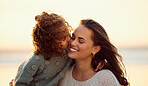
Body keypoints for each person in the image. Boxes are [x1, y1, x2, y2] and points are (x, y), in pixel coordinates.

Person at [58, 19, 129, 86]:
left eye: (81, 41)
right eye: (73, 38)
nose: (73, 43)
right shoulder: (63, 74)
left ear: (95, 49)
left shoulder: (105, 78)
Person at [10, 11, 72, 86]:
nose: (69, 39)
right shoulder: (37, 60)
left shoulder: (68, 54)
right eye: (63, 38)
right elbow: (20, 83)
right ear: (49, 43)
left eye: (68, 34)